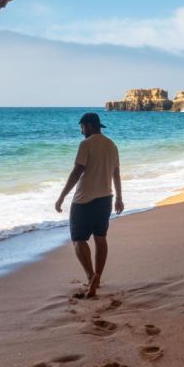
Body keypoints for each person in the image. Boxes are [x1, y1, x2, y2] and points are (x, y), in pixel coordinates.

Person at [55, 112, 124, 298]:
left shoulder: (86, 144)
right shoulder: (112, 145)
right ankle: (98, 278)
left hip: (83, 200)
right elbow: (116, 174)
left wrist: (61, 196)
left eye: (82, 127)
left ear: (90, 126)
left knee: (78, 240)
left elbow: (77, 172)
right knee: (100, 238)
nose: (81, 130)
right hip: (105, 199)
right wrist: (119, 197)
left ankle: (90, 275)